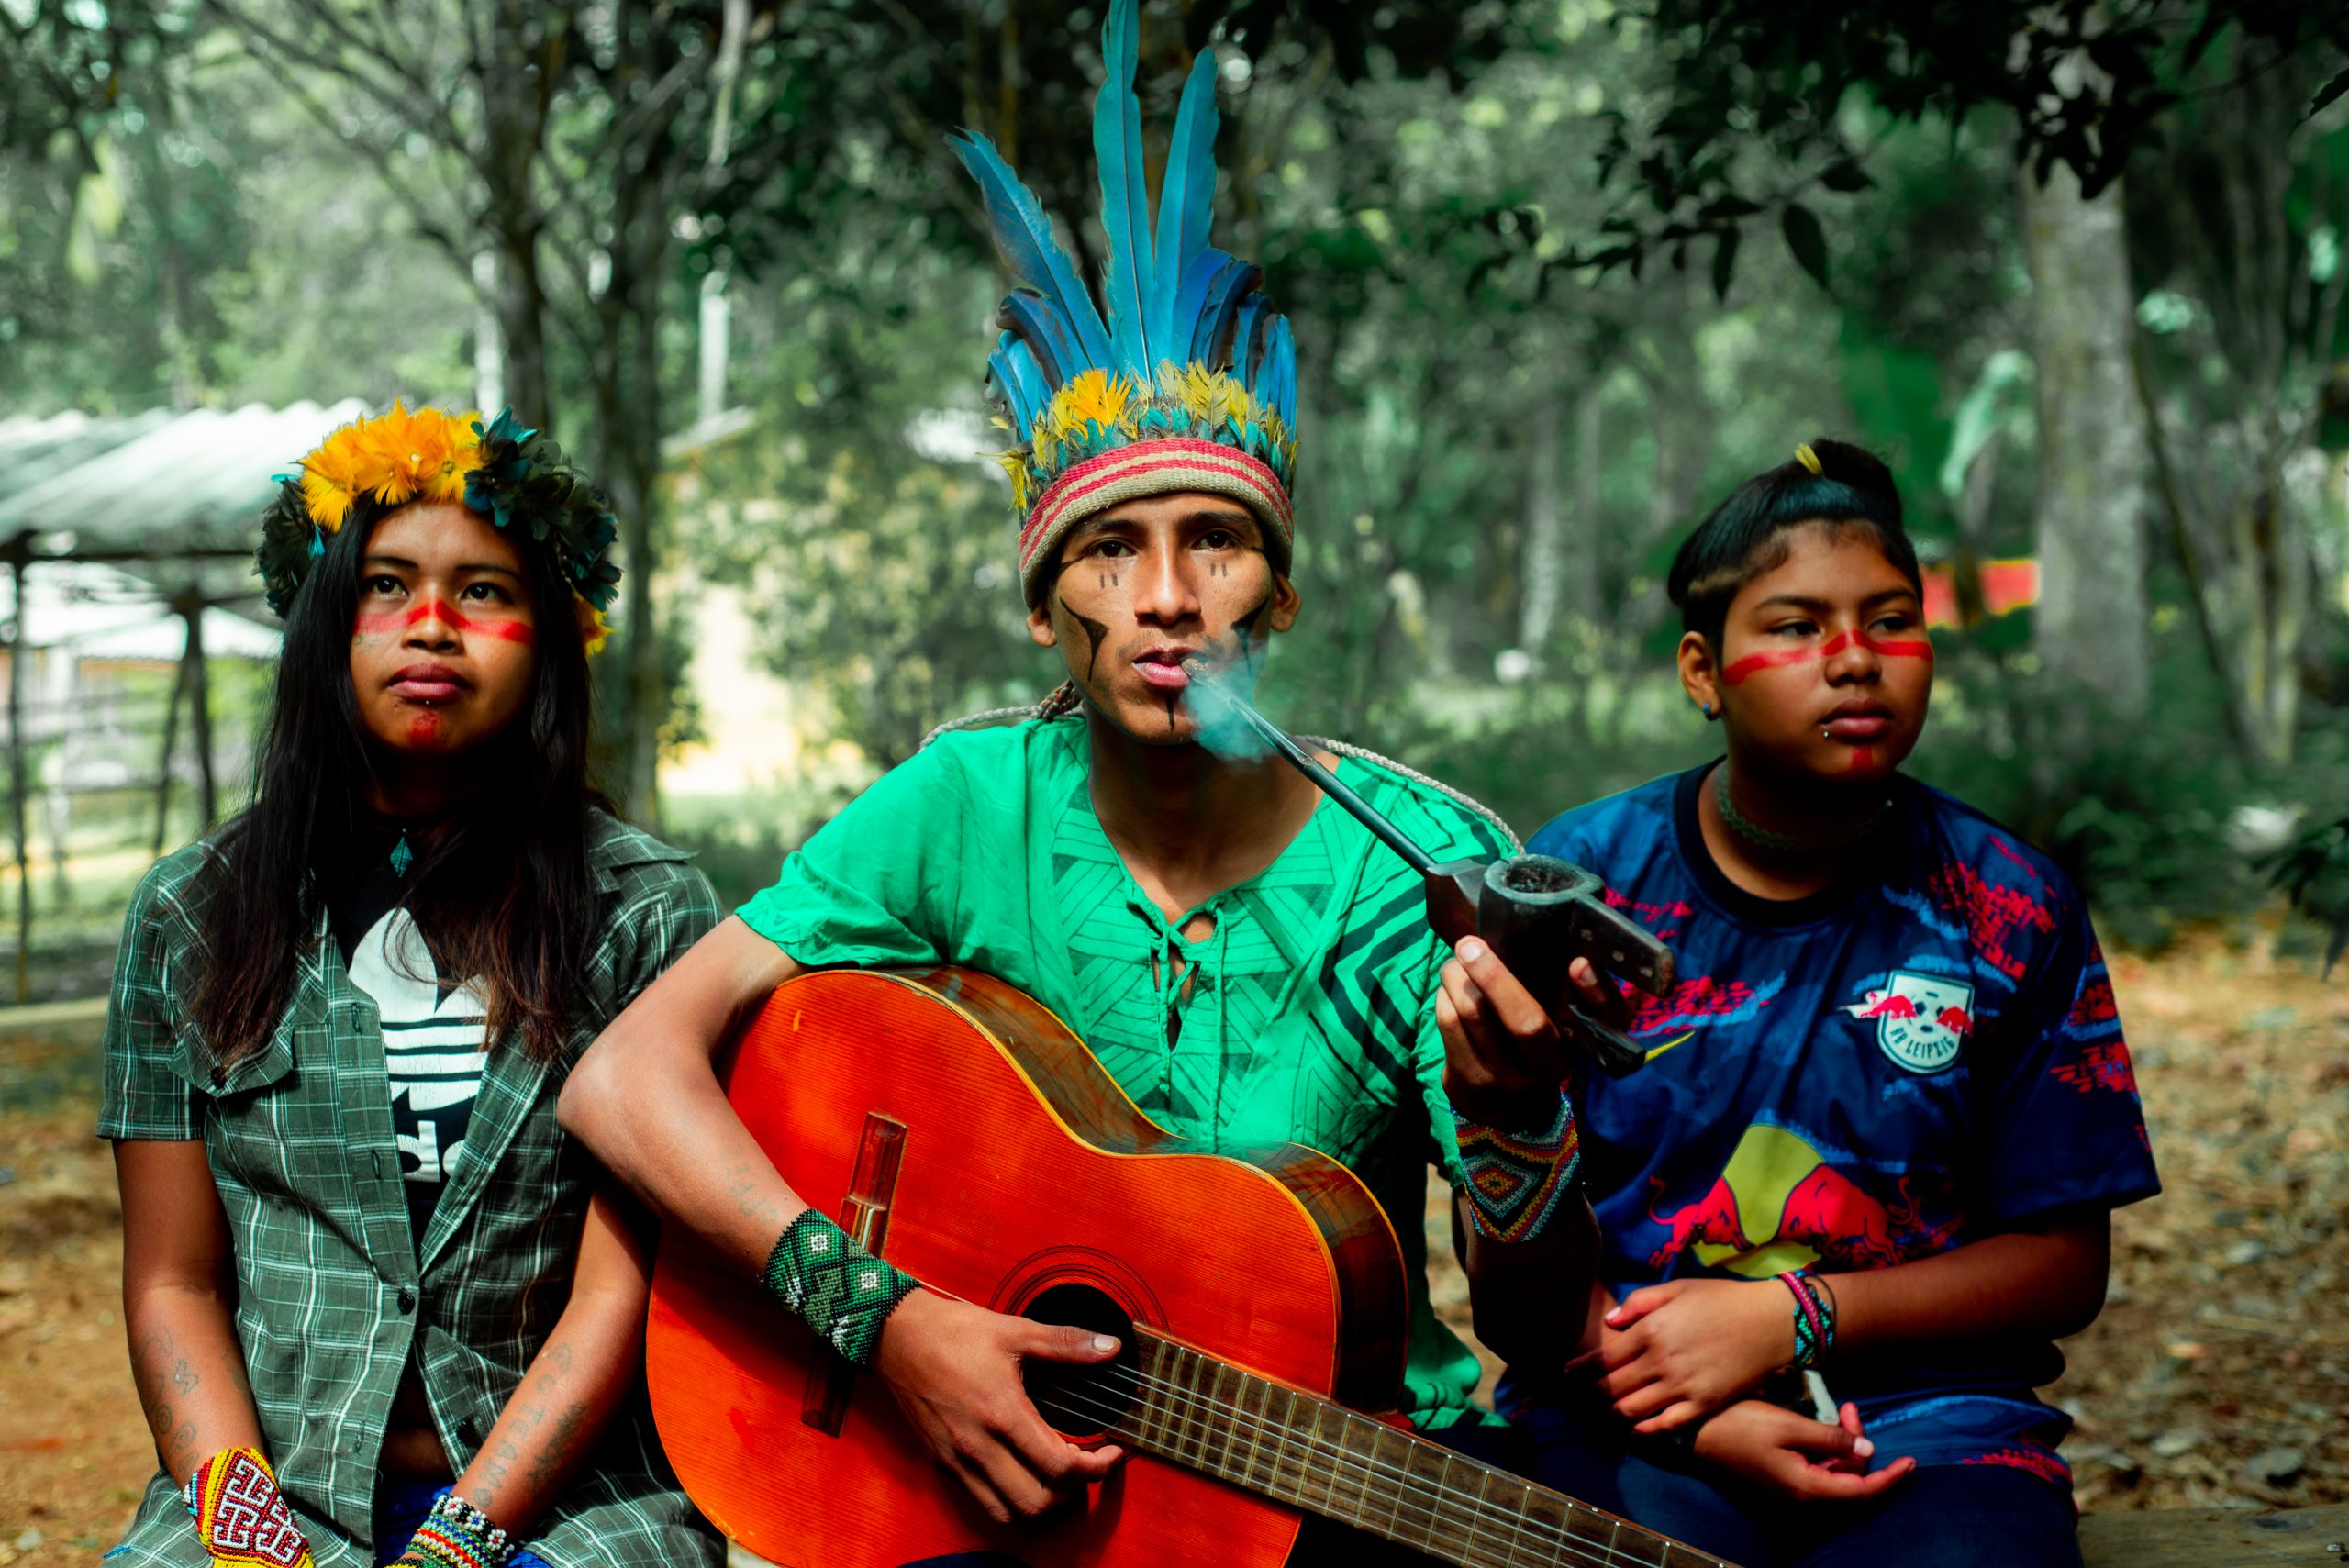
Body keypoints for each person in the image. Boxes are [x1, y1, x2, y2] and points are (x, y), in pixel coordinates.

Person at [558, 2, 1618, 1554]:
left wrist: (1516, 1119)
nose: (1169, 594)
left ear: (1285, 590)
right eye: (1111, 548)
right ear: (1048, 605)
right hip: (974, 1490)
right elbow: (623, 1077)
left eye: (1220, 540)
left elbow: (1536, 1329)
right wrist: (888, 1320)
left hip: (1321, 1494)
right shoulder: (964, 803)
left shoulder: (1429, 864)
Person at [1502, 439, 2160, 1567]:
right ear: (1702, 671)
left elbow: (2064, 1263)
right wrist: (1705, 1415)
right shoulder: (1578, 887)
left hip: (1934, 1431)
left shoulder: (2008, 904)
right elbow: (1516, 1273)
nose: (1854, 659)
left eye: (1890, 619)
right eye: (1796, 626)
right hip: (1629, 1411)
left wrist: (1789, 1317)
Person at [100, 406, 725, 1568]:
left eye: (483, 591)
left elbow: (622, 1290)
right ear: (323, 624)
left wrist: (463, 1542)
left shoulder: (649, 915)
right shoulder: (189, 916)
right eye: (386, 585)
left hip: (574, 1509)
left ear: (549, 637)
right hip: (269, 1501)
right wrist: (250, 1543)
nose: (431, 626)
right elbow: (174, 1280)